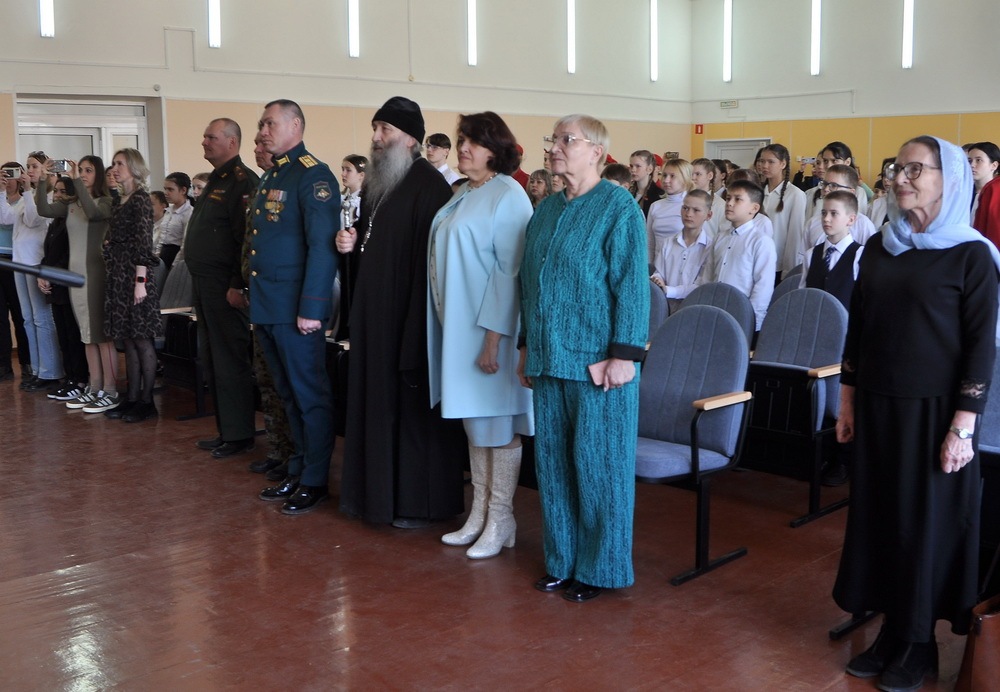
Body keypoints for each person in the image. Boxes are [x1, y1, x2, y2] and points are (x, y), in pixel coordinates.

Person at [834, 136, 1000, 691]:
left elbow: (981, 348)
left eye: (914, 169)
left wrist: (963, 427)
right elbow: (858, 329)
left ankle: (919, 642)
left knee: (923, 526)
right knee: (882, 519)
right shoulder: (881, 248)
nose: (900, 178)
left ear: (948, 179)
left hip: (937, 417)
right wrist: (848, 399)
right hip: (879, 407)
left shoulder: (974, 254)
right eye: (895, 169)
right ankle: (891, 630)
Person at [518, 114, 648, 603]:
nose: (555, 147)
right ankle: (562, 561)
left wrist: (624, 355)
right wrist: (527, 345)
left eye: (566, 139)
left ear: (597, 151)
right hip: (550, 359)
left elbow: (631, 286)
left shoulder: (619, 208)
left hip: (599, 363)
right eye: (553, 139)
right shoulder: (547, 210)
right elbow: (530, 284)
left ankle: (601, 568)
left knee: (599, 467)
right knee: (553, 466)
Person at [336, 95, 467, 528]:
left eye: (385, 130)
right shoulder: (378, 183)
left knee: (409, 416)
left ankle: (415, 503)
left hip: (409, 322)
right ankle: (375, 497)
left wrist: (415, 330)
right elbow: (373, 238)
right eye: (375, 128)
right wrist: (350, 243)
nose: (375, 138)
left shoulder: (430, 187)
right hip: (375, 320)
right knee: (375, 407)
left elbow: (428, 268)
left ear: (410, 138)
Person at [427, 111, 534, 559]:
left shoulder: (508, 195)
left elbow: (509, 273)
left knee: (497, 423)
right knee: (477, 423)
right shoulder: (466, 192)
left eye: (473, 141)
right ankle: (481, 514)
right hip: (460, 329)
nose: (464, 148)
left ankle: (502, 516)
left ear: (496, 149)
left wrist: (494, 339)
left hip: (490, 332)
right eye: (462, 140)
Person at [249, 99, 339, 515]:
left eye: (270, 123)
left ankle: (315, 479)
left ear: (295, 125)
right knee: (287, 394)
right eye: (262, 123)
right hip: (269, 304)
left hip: (295, 308)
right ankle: (299, 468)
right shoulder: (275, 173)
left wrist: (312, 307)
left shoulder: (313, 175)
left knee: (309, 395)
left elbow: (322, 248)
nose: (263, 130)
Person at [183, 118, 261, 459]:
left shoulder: (242, 182)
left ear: (231, 142)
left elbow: (244, 240)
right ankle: (226, 429)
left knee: (230, 358)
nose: (204, 142)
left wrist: (236, 284)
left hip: (223, 286)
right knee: (212, 357)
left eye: (211, 137)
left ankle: (239, 433)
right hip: (203, 283)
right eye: (204, 136)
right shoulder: (217, 180)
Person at [36, 156, 116, 409]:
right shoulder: (71, 204)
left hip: (96, 273)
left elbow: (93, 213)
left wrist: (74, 181)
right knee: (86, 334)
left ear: (99, 174)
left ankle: (110, 390)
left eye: (88, 170)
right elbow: (44, 210)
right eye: (80, 170)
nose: (82, 174)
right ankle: (94, 386)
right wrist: (41, 179)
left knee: (100, 334)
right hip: (74, 275)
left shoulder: (105, 201)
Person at [95, 148, 162, 421]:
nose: (114, 168)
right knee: (128, 340)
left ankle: (147, 402)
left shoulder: (141, 200)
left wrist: (140, 281)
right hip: (119, 274)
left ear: (133, 168)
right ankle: (131, 397)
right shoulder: (119, 200)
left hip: (136, 276)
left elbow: (144, 243)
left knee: (142, 339)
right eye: (113, 163)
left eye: (120, 163)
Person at [244, 134, 295, 479]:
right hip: (258, 296)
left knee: (282, 384)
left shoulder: (292, 181)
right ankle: (277, 450)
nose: (258, 151)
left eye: (263, 146)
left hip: (280, 302)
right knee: (265, 379)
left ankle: (290, 453)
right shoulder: (264, 184)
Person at [0, 156, 62, 392]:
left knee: (42, 319)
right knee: (28, 319)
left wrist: (27, 191)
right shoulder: (29, 197)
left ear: (46, 169)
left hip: (36, 263)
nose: (30, 171)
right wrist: (0, 192)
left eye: (35, 166)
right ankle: (37, 369)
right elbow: (6, 218)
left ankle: (51, 372)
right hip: (20, 263)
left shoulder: (45, 196)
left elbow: (34, 219)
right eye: (29, 167)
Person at [34, 175, 88, 397]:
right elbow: (49, 252)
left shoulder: (74, 220)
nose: (57, 195)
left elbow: (68, 254)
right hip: (55, 282)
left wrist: (51, 273)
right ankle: (70, 378)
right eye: (55, 191)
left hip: (68, 282)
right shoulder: (56, 221)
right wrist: (42, 273)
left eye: (63, 191)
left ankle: (81, 381)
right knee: (63, 335)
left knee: (73, 335)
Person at [702, 179, 777, 333]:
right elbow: (708, 277)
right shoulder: (719, 237)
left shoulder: (761, 241)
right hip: (715, 311)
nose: (729, 203)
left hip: (742, 315)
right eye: (728, 198)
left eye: (738, 199)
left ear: (754, 208)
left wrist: (751, 321)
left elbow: (763, 287)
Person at [650, 189, 713, 314]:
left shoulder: (710, 248)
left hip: (692, 309)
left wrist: (669, 290)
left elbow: (701, 285)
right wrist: (657, 279)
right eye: (685, 208)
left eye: (696, 210)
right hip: (664, 307)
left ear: (708, 215)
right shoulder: (668, 242)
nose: (688, 214)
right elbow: (659, 271)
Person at [798, 190, 864, 309]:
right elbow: (803, 294)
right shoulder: (811, 254)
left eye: (834, 213)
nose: (826, 219)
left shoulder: (860, 255)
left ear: (851, 220)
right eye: (824, 213)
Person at [646, 158, 694, 261]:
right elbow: (650, 241)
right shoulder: (655, 206)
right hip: (657, 267)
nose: (666, 180)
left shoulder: (691, 206)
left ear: (684, 179)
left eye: (672, 176)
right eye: (664, 175)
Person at [158, 172, 194, 268]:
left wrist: (175, 265)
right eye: (165, 189)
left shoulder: (189, 213)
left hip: (176, 256)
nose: (166, 193)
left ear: (183, 190)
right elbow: (162, 237)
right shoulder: (168, 211)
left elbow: (184, 244)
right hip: (163, 255)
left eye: (170, 189)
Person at [628, 150, 663, 217]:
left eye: (638, 166)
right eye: (631, 166)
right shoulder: (628, 191)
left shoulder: (658, 194)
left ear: (649, 169)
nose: (633, 170)